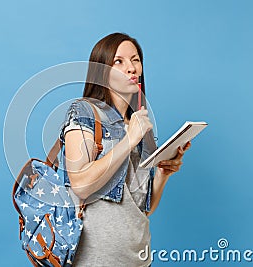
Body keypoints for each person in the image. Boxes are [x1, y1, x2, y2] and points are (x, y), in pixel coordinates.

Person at [59, 32, 191, 266]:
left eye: (136, 60)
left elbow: (144, 208)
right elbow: (80, 185)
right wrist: (129, 140)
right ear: (101, 71)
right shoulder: (86, 112)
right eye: (118, 61)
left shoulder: (139, 124)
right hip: (96, 258)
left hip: (139, 257)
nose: (131, 67)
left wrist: (163, 173)